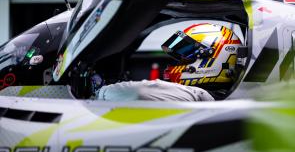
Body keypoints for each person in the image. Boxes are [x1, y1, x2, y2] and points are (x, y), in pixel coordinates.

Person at [96, 23, 243, 102]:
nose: (179, 64)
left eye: (185, 58)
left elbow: (136, 91)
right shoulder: (214, 97)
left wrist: (98, 91)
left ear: (212, 57)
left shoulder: (195, 95)